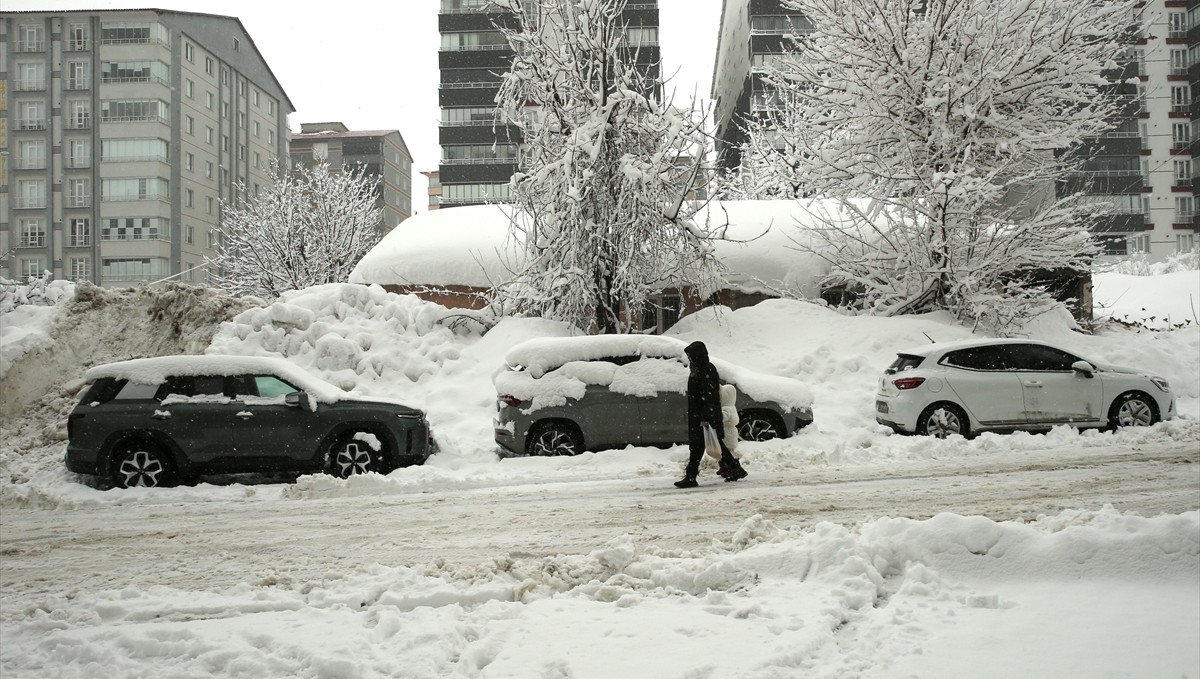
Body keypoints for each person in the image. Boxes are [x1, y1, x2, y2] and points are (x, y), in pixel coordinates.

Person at [675, 341, 748, 488]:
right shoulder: (698, 368)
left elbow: (710, 397)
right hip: (699, 415)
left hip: (705, 417)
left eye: (691, 355)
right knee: (707, 445)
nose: (690, 359)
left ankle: (691, 477)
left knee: (698, 447)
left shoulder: (706, 370)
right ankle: (735, 469)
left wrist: (705, 418)